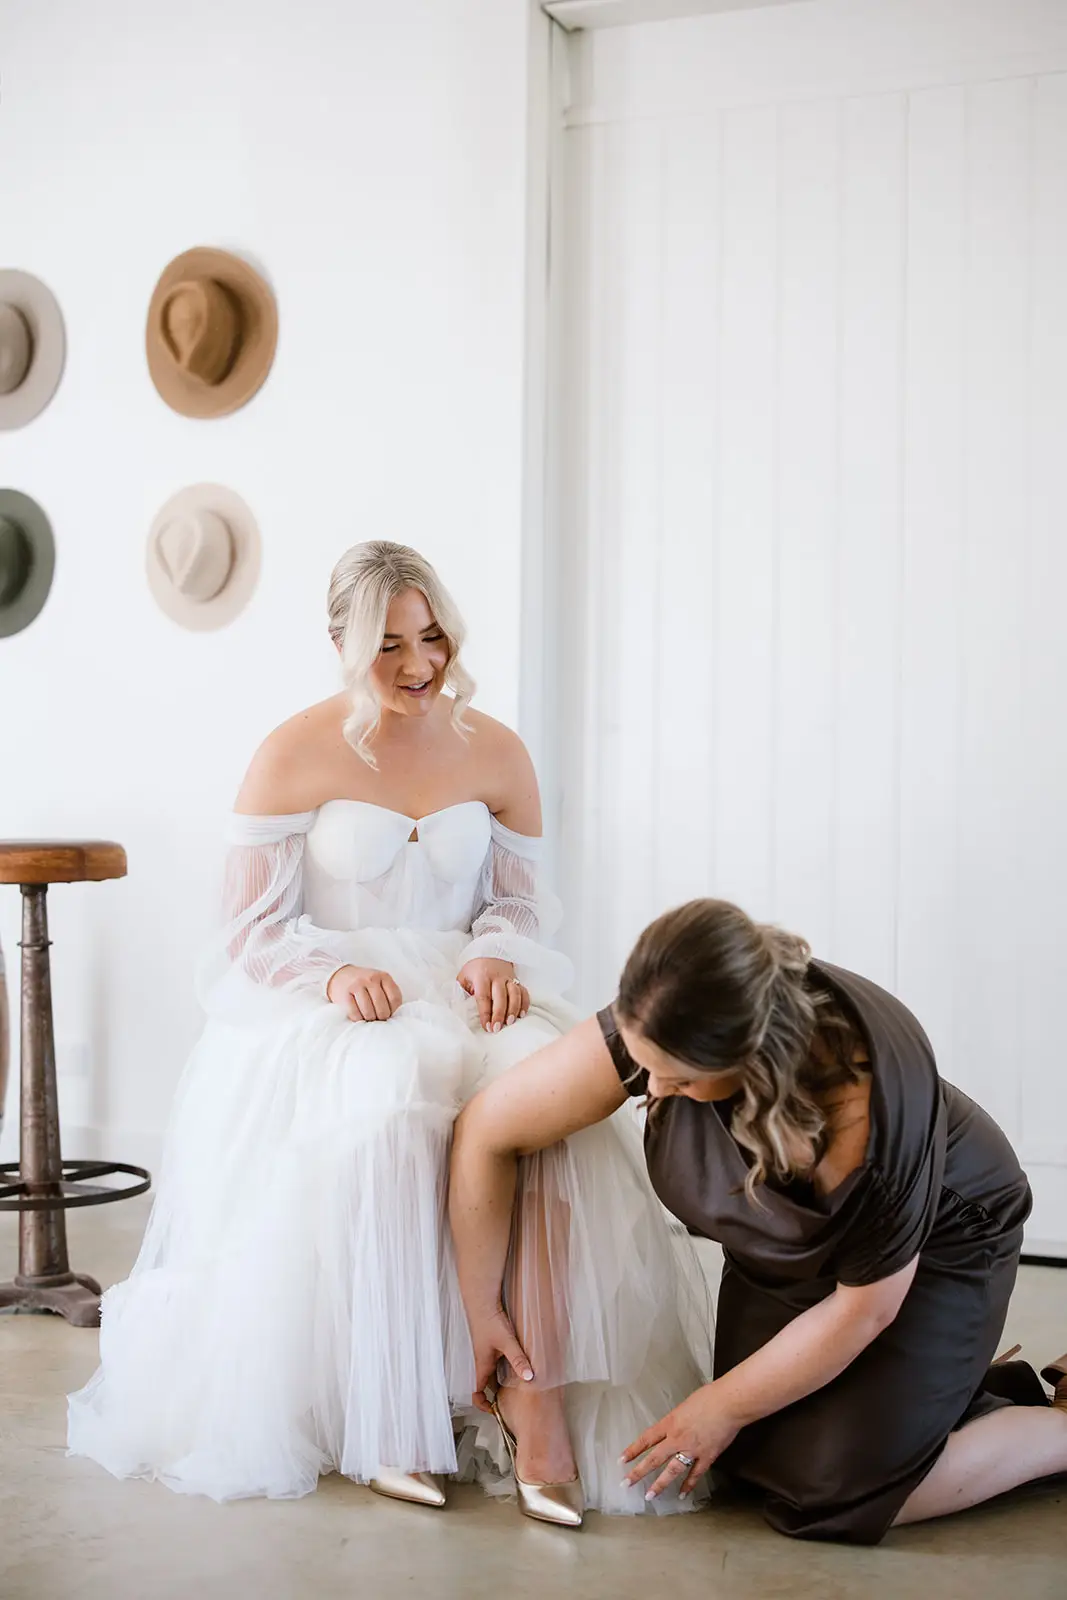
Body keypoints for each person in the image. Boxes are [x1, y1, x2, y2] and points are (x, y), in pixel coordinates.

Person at [67, 542, 710, 1524]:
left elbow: (522, 903)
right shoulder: (293, 749)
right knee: (386, 1097)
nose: (419, 663)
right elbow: (248, 929)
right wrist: (334, 972)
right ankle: (391, 1420)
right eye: (389, 646)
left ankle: (533, 1405)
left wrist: (495, 951)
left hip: (465, 987)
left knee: (542, 1090)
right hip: (341, 1003)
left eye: (432, 636)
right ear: (338, 645)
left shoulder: (495, 748)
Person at [449, 897, 1067, 1544]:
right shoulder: (671, 1012)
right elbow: (487, 1133)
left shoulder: (862, 1118)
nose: (653, 1091)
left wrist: (717, 1406)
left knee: (835, 1496)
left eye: (680, 1082)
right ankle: (945, 1393)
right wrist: (481, 1307)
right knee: (751, 1461)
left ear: (754, 1061)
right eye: (644, 1067)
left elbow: (864, 1312)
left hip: (942, 1234)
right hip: (789, 1249)